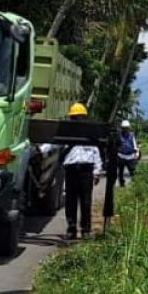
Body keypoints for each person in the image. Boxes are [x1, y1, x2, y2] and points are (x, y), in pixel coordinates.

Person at [63, 102, 103, 240]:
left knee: (86, 202)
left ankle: (86, 229)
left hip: (86, 171)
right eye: (75, 118)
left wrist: (97, 171)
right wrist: (40, 150)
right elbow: (53, 144)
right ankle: (72, 229)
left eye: (79, 117)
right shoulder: (66, 134)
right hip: (71, 170)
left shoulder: (90, 137)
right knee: (70, 201)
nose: (77, 120)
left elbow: (96, 153)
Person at [116, 119, 140, 187]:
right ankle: (122, 185)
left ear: (128, 128)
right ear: (122, 128)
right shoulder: (119, 135)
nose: (125, 130)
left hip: (131, 157)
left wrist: (137, 154)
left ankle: (136, 186)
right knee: (120, 173)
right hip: (121, 156)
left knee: (133, 172)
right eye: (124, 128)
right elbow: (117, 145)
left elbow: (135, 145)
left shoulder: (132, 135)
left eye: (126, 128)